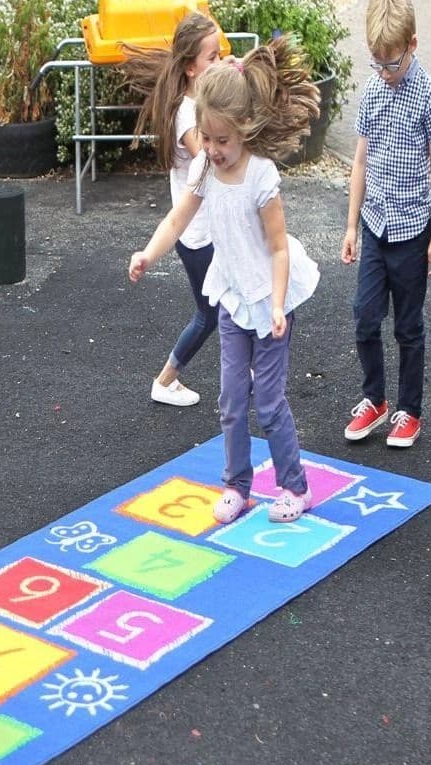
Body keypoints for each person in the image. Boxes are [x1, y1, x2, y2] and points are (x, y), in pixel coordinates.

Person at [129, 38, 321, 524]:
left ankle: (295, 488)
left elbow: (279, 247)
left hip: (269, 298)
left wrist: (278, 305)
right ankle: (238, 485)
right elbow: (176, 220)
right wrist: (147, 255)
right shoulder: (204, 169)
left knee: (271, 403)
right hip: (234, 296)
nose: (212, 149)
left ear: (244, 130)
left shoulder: (261, 177)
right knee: (232, 400)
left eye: (221, 140)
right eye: (206, 138)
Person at [340, 0, 431, 448]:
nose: (384, 70)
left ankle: (409, 410)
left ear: (412, 46)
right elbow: (360, 160)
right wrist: (350, 227)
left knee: (408, 326)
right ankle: (376, 400)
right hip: (374, 225)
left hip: (412, 231)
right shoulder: (372, 90)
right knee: (364, 317)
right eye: (377, 61)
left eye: (392, 62)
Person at [123, 12, 222, 407]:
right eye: (212, 58)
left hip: (207, 229)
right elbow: (212, 154)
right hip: (197, 235)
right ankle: (165, 380)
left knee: (230, 302)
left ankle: (250, 367)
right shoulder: (186, 113)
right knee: (210, 313)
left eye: (220, 54)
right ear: (190, 67)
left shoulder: (200, 100)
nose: (218, 62)